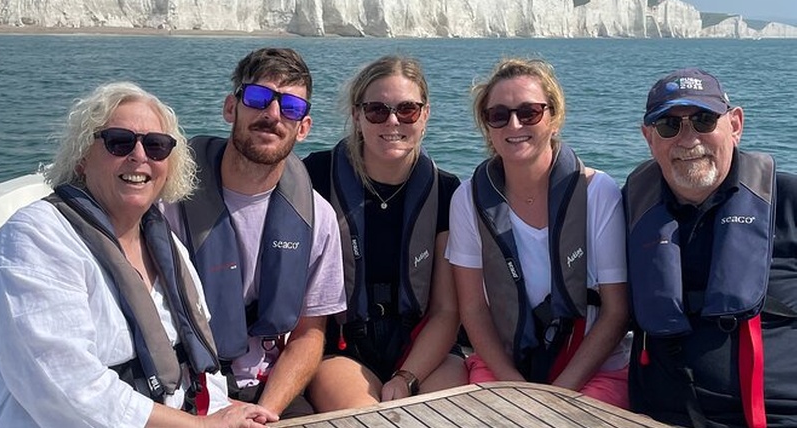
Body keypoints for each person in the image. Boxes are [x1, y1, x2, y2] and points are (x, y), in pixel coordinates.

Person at [0, 82, 277, 428]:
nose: (139, 156)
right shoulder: (33, 239)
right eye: (119, 141)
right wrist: (198, 426)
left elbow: (199, 367)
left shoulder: (166, 245)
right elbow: (65, 385)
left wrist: (225, 414)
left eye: (156, 146)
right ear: (82, 158)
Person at [162, 48, 346, 418]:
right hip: (183, 387)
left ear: (304, 127)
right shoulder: (168, 203)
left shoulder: (317, 218)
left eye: (291, 107)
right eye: (259, 98)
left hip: (270, 394)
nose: (273, 115)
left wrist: (264, 412)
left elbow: (310, 333)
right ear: (231, 107)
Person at [447, 57, 631, 408]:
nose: (514, 124)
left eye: (529, 112)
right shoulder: (467, 199)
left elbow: (615, 311)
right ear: (487, 126)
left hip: (593, 370)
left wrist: (556, 395)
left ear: (554, 118)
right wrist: (515, 385)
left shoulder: (597, 192)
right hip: (503, 366)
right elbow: (472, 309)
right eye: (498, 115)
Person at [624, 68, 797, 427]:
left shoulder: (790, 203)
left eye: (703, 120)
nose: (688, 140)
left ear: (735, 125)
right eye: (669, 126)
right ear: (648, 137)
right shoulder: (627, 210)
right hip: (658, 417)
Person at [302, 56, 467, 410]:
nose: (392, 121)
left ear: (424, 116)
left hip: (426, 346)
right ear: (357, 115)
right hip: (342, 348)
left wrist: (406, 377)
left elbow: (445, 310)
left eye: (407, 110)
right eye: (377, 110)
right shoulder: (315, 176)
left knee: (444, 416)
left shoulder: (447, 193)